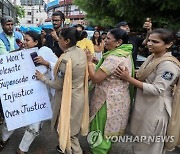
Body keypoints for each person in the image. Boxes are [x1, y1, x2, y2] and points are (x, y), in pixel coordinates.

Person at [114, 28, 180, 154]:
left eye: (155, 42)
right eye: (149, 40)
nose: (149, 44)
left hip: (156, 110)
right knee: (139, 146)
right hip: (146, 108)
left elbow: (157, 89)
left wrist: (128, 78)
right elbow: (143, 75)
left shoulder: (168, 65)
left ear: (169, 44)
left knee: (148, 149)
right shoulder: (152, 57)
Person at [0, 30, 57, 154]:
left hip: (40, 95)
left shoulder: (45, 51)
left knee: (35, 123)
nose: (24, 42)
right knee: (14, 115)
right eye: (24, 40)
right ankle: (3, 139)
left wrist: (47, 64)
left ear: (36, 42)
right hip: (21, 93)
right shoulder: (21, 53)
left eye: (27, 40)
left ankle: (22, 149)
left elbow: (59, 67)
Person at [35, 27, 89, 154]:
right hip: (79, 95)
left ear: (67, 41)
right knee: (72, 129)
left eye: (59, 38)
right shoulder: (80, 52)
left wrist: (43, 78)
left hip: (68, 99)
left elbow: (58, 85)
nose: (57, 40)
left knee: (67, 131)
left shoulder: (66, 59)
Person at [86, 28, 134, 154]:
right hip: (119, 99)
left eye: (108, 39)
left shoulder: (113, 58)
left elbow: (96, 78)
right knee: (108, 131)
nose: (104, 41)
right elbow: (109, 73)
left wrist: (89, 63)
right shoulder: (125, 52)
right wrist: (99, 63)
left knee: (99, 131)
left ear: (118, 42)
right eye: (104, 38)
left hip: (107, 101)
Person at [0, 16, 23, 124]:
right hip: (5, 73)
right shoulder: (0, 38)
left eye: (11, 24)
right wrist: (20, 51)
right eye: (7, 25)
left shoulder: (18, 35)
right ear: (2, 25)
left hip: (18, 71)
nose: (10, 27)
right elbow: (5, 56)